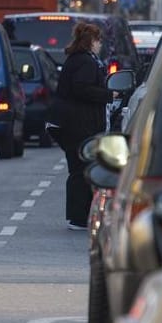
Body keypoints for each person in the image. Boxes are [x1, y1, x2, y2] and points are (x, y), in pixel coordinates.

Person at [52, 21, 111, 230]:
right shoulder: (85, 62)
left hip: (73, 123)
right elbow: (81, 89)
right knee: (81, 170)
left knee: (79, 168)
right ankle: (78, 217)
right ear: (91, 41)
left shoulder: (76, 59)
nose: (100, 44)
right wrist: (108, 94)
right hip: (80, 125)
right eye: (98, 40)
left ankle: (80, 215)